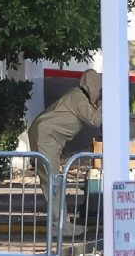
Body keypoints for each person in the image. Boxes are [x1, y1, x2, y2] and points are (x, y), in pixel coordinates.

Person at [29, 69, 103, 236]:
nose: (99, 93)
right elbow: (95, 120)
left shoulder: (78, 96)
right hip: (46, 137)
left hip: (47, 137)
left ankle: (62, 224)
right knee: (52, 182)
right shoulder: (78, 97)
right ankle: (59, 226)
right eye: (99, 89)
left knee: (55, 182)